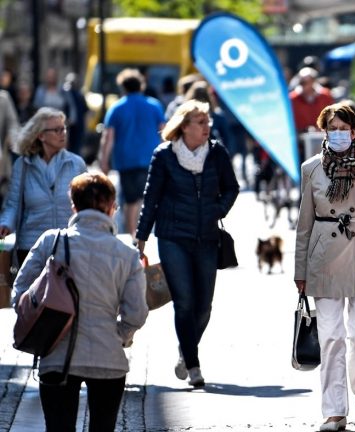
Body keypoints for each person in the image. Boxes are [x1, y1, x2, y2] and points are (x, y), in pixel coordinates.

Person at [11, 171, 148, 432]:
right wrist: (118, 335)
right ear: (111, 207)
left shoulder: (51, 241)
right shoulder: (127, 255)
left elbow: (20, 294)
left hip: (56, 355)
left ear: (73, 205)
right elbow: (137, 313)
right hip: (108, 359)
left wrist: (45, 326)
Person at [293, 103, 355, 432]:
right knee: (331, 337)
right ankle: (334, 412)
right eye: (331, 128)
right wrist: (300, 269)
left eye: (343, 127)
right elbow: (303, 222)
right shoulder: (311, 168)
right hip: (323, 255)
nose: (338, 133)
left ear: (354, 130)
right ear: (324, 131)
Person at [135, 100, 239, 388]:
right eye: (201, 122)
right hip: (172, 237)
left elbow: (232, 187)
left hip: (207, 236)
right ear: (184, 126)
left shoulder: (217, 153)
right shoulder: (164, 155)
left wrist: (217, 210)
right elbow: (151, 199)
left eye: (208, 122)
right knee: (184, 302)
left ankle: (186, 348)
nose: (208, 127)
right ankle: (193, 366)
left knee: (204, 306)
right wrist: (140, 238)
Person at [0, 108, 87, 265]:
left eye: (64, 128)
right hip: (31, 248)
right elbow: (13, 203)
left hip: (67, 247)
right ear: (40, 136)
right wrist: (5, 224)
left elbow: (87, 206)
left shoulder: (76, 164)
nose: (63, 133)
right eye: (56, 129)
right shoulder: (23, 165)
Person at [99, 68, 165, 238]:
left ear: (123, 87)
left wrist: (104, 160)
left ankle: (133, 236)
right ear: (141, 85)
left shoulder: (116, 108)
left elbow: (109, 137)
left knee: (130, 200)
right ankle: (147, 234)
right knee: (148, 197)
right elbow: (164, 131)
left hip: (126, 159)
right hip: (151, 158)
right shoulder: (154, 105)